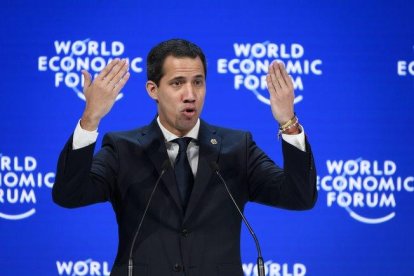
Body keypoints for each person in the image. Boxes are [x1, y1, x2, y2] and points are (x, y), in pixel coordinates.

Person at [53, 39, 317, 276]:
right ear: (153, 90)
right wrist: (91, 119)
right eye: (178, 83)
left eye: (198, 82)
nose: (190, 94)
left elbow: (299, 197)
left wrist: (288, 123)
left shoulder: (237, 148)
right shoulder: (124, 149)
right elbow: (69, 194)